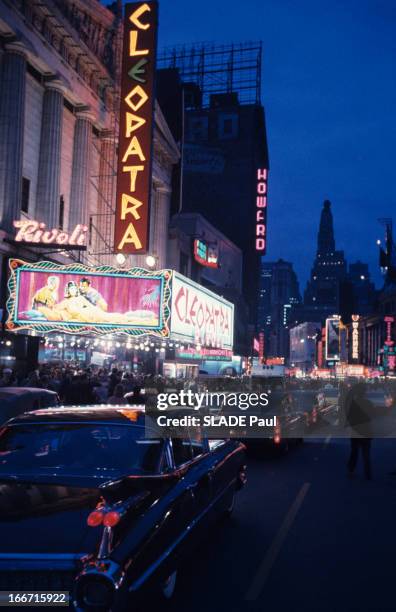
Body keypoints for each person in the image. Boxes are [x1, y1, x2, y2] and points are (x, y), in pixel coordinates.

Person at [345, 382, 373, 480]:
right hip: (366, 431)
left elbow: (349, 417)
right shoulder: (369, 403)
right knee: (366, 454)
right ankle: (367, 473)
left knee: (354, 452)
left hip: (356, 431)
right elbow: (372, 416)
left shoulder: (353, 404)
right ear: (365, 393)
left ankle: (351, 470)